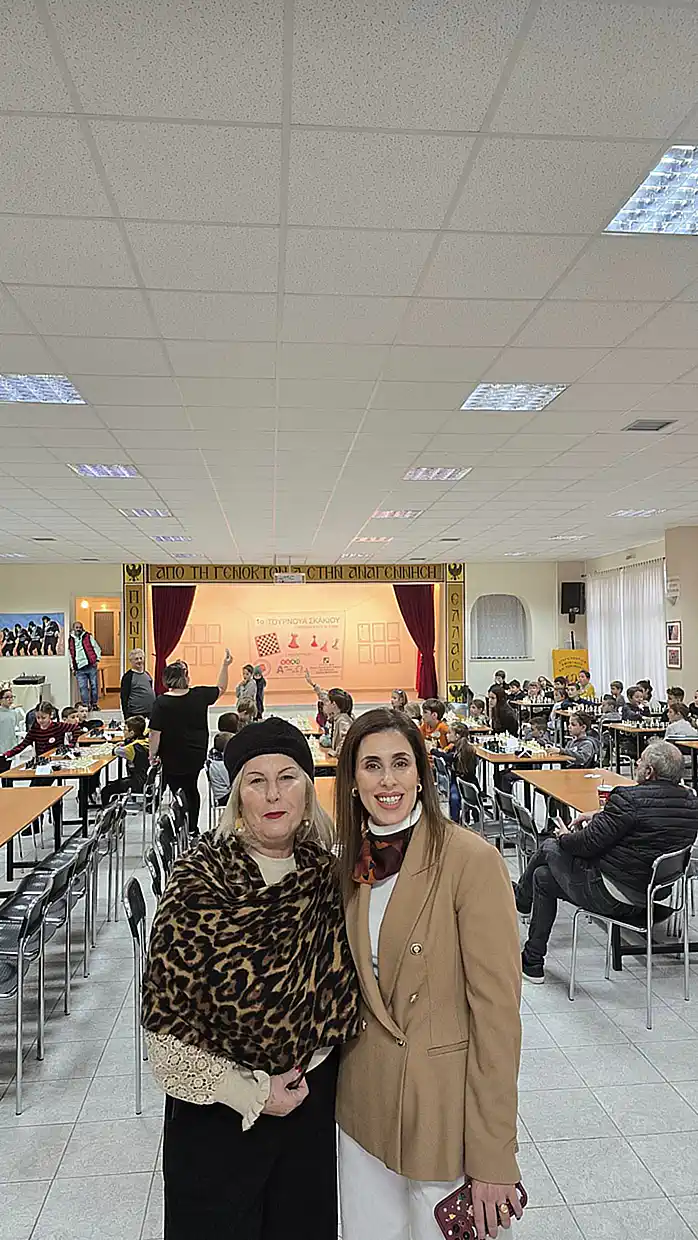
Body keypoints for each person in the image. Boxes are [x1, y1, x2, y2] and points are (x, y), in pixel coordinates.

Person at [142, 718, 361, 1240]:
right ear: (238, 796)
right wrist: (253, 1092)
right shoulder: (198, 882)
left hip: (306, 1112)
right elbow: (165, 1036)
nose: (273, 795)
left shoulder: (328, 880)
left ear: (308, 790)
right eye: (256, 781)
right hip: (219, 1121)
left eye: (287, 778)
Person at [334, 709, 522, 1240]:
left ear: (421, 773)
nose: (387, 781)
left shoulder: (470, 861)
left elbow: (497, 1019)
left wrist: (493, 1155)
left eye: (401, 763)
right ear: (353, 780)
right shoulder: (349, 863)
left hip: (443, 1116)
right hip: (363, 1110)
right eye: (372, 766)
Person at [515, 741, 698, 983]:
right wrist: (600, 815)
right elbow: (651, 817)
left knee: (550, 846)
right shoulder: (691, 802)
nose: (636, 763)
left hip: (612, 895)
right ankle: (531, 961)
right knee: (543, 877)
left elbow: (586, 846)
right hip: (653, 896)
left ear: (649, 771)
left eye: (641, 760)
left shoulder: (628, 798)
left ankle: (521, 901)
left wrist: (564, 836)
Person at [149, 650, 232, 837]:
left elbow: (155, 733)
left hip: (171, 754)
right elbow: (221, 688)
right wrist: (225, 665)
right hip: (195, 753)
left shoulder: (162, 702)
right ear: (185, 678)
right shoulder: (199, 695)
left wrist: (152, 754)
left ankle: (181, 824)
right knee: (192, 788)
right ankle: (193, 827)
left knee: (178, 792)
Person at [1, 701, 80, 834]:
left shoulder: (58, 726)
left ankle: (40, 822)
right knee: (31, 792)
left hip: (55, 766)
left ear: (50, 715)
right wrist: (9, 753)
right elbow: (24, 744)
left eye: (43, 717)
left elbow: (76, 729)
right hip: (40, 765)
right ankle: (36, 822)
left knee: (39, 790)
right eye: (38, 718)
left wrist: (71, 745)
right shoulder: (35, 729)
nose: (40, 721)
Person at [101, 715, 149, 805]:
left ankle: (108, 812)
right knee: (115, 784)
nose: (123, 732)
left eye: (125, 730)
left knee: (106, 790)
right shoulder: (145, 741)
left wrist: (115, 747)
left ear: (132, 733)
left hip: (137, 783)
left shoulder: (132, 748)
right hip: (147, 781)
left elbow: (114, 751)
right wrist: (125, 743)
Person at [443, 722, 479, 823]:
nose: (447, 735)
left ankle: (454, 822)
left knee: (454, 798)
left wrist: (433, 751)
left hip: (464, 782)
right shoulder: (455, 747)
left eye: (449, 733)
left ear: (457, 736)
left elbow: (449, 758)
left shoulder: (464, 750)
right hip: (466, 781)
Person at [69, 620, 102, 711]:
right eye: (77, 627)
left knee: (94, 686)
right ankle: (86, 705)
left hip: (90, 665)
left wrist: (97, 659)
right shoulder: (70, 640)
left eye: (80, 627)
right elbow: (70, 655)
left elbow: (96, 647)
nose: (78, 629)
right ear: (73, 629)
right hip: (79, 668)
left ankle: (94, 704)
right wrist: (72, 667)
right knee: (83, 688)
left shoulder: (88, 636)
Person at [120, 648, 155, 719]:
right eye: (136, 659)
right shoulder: (128, 677)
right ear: (131, 661)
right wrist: (126, 716)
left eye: (141, 658)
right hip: (135, 713)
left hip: (150, 712)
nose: (139, 661)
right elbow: (124, 697)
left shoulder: (147, 674)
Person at [205, 731, 235, 806]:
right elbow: (230, 783)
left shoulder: (214, 758)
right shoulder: (221, 765)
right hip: (224, 796)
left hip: (221, 794)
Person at [0, 687, 24, 773]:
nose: (10, 699)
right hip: (1, 745)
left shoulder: (14, 712)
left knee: (7, 770)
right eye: (7, 697)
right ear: (1, 700)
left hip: (9, 745)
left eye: (12, 697)